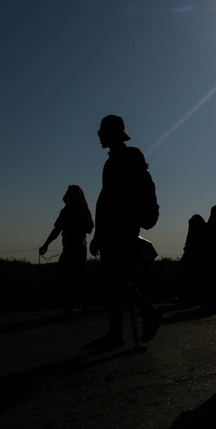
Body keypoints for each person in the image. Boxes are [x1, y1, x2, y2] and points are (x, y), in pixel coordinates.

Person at [87, 115, 162, 350]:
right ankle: (118, 332)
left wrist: (102, 231)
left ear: (113, 134)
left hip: (121, 226)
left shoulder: (124, 159)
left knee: (116, 278)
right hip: (116, 226)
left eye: (103, 132)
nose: (99, 136)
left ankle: (146, 313)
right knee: (115, 279)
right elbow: (106, 198)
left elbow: (112, 199)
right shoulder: (116, 160)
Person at [40, 185, 94, 317]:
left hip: (78, 247)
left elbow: (89, 227)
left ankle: (79, 306)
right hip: (71, 247)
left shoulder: (77, 211)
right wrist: (46, 244)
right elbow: (57, 230)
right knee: (70, 276)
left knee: (75, 276)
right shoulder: (68, 211)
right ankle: (74, 306)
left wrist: (46, 244)